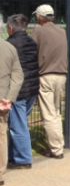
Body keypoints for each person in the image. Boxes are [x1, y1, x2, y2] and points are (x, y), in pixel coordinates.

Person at [31, 4, 67, 158]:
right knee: (57, 112)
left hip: (46, 75)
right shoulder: (62, 31)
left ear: (40, 17)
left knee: (48, 114)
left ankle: (56, 149)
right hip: (61, 75)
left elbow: (31, 50)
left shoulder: (38, 31)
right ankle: (59, 144)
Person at [6, 14, 39, 168]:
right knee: (21, 123)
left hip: (18, 90)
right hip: (32, 88)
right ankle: (15, 155)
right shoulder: (31, 42)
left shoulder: (10, 44)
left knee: (17, 126)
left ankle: (23, 159)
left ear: (11, 28)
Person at [0, 33, 24, 186]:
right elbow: (18, 76)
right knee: (1, 135)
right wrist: (9, 97)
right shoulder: (9, 47)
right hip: (3, 99)